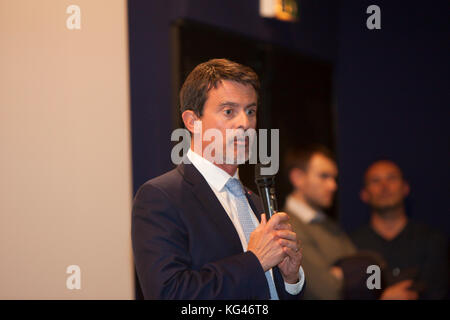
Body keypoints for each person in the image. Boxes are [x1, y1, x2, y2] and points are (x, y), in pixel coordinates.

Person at [132, 58, 305, 299]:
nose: (245, 123)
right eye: (229, 111)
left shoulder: (256, 202)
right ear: (193, 122)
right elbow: (170, 294)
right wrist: (255, 261)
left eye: (250, 111)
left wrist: (291, 280)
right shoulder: (161, 197)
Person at [351, 160, 448, 300]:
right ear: (364, 194)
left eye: (391, 178)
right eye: (375, 181)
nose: (384, 186)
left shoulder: (432, 241)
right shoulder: (351, 246)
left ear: (405, 188)